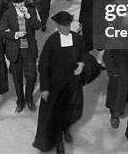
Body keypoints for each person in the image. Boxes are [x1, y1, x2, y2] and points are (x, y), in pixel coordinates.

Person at [33, 11, 85, 154]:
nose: (65, 28)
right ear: (57, 25)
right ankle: (58, 141)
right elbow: (43, 66)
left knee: (71, 110)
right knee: (55, 114)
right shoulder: (52, 41)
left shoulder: (77, 38)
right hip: (55, 85)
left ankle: (66, 128)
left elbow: (83, 54)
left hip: (72, 84)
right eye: (62, 26)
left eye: (67, 25)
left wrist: (81, 63)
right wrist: (44, 88)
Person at [2, 0, 42, 113]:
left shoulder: (31, 11)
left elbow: (38, 26)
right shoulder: (8, 14)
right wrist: (14, 34)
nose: (20, 4)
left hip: (29, 50)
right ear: (13, 3)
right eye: (17, 2)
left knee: (32, 76)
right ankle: (20, 101)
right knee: (17, 78)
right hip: (15, 51)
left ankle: (29, 98)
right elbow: (2, 31)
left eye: (21, 2)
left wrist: (28, 17)